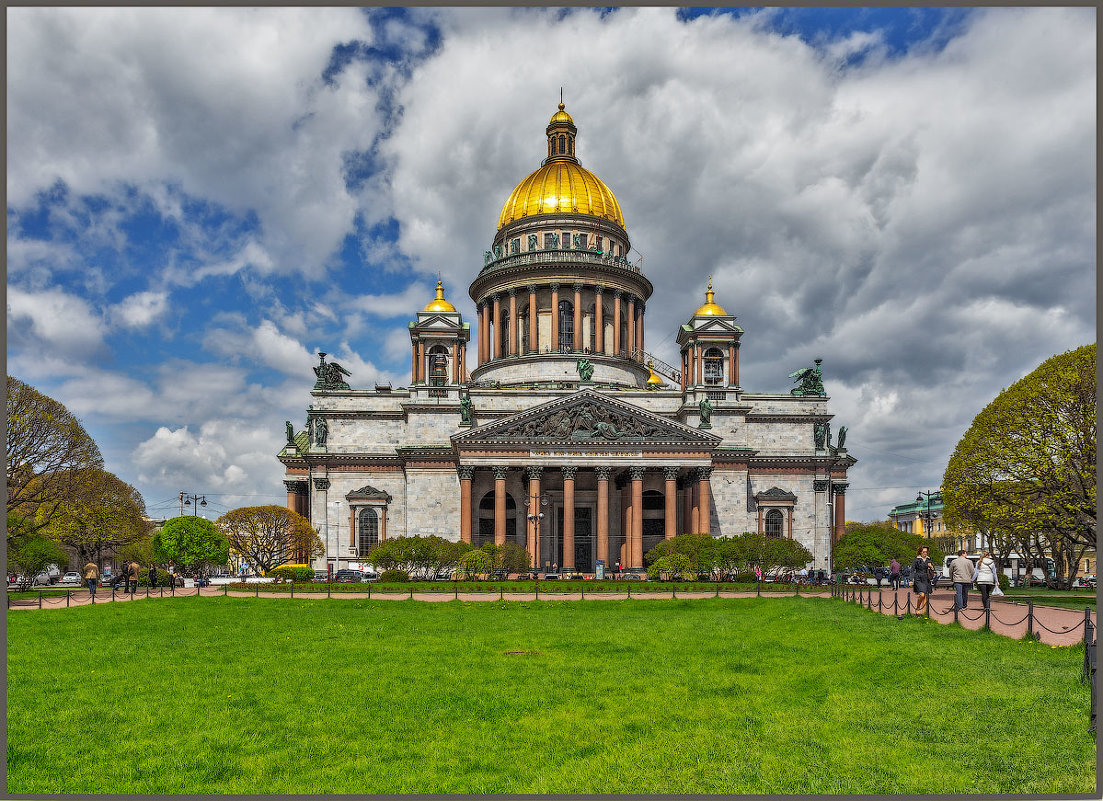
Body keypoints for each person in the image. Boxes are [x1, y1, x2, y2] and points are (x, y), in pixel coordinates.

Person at [910, 546, 935, 617]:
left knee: (925, 596)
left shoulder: (928, 559)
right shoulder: (916, 560)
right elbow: (912, 570)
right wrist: (911, 580)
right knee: (922, 594)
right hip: (918, 578)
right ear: (920, 552)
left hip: (926, 578)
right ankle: (917, 608)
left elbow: (933, 569)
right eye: (923, 552)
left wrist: (931, 567)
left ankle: (924, 612)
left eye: (926, 552)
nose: (925, 553)